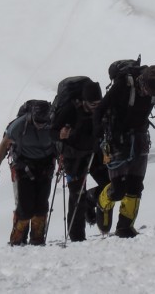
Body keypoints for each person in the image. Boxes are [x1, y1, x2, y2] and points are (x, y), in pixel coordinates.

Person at [93, 61, 155, 238]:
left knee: (135, 184)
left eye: (154, 92)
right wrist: (97, 132)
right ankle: (101, 203)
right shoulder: (124, 85)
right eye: (149, 90)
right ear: (141, 82)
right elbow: (101, 109)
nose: (150, 94)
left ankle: (125, 227)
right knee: (118, 188)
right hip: (116, 137)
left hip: (140, 136)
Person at [0, 100, 58, 246]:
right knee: (25, 206)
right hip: (24, 167)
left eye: (43, 122)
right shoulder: (21, 124)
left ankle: (37, 238)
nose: (40, 125)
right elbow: (5, 143)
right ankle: (17, 240)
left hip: (45, 166)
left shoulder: (53, 122)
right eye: (38, 122)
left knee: (42, 205)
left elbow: (60, 140)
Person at [50, 79, 108, 242]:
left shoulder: (100, 108)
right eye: (92, 104)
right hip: (72, 156)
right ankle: (77, 239)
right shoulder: (70, 110)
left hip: (93, 152)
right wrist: (60, 134)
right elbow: (51, 132)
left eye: (98, 103)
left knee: (110, 184)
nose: (96, 107)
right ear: (84, 101)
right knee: (77, 197)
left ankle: (91, 198)